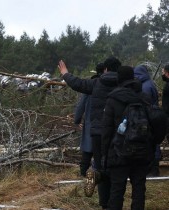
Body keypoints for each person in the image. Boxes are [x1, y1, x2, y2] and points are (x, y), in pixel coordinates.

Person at [58, 57, 121, 210]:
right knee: (117, 169)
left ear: (105, 69)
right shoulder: (123, 84)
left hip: (98, 133)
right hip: (117, 134)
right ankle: (115, 203)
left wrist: (65, 74)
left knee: (100, 166)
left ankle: (104, 203)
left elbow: (78, 84)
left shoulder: (97, 83)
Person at [101, 66, 155, 209]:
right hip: (141, 151)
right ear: (133, 78)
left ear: (119, 78)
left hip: (118, 151)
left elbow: (106, 130)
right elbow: (155, 123)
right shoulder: (144, 98)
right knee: (139, 191)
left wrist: (104, 155)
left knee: (117, 191)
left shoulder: (112, 99)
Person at [74, 63, 104, 177]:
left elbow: (81, 105)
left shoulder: (90, 85)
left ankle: (83, 173)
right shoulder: (109, 84)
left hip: (91, 123)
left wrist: (77, 120)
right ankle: (98, 173)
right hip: (104, 123)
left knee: (88, 149)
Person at [134, 65, 161, 176]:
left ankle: (152, 169)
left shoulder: (144, 87)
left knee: (150, 143)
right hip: (152, 117)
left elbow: (145, 103)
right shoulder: (149, 83)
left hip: (148, 118)